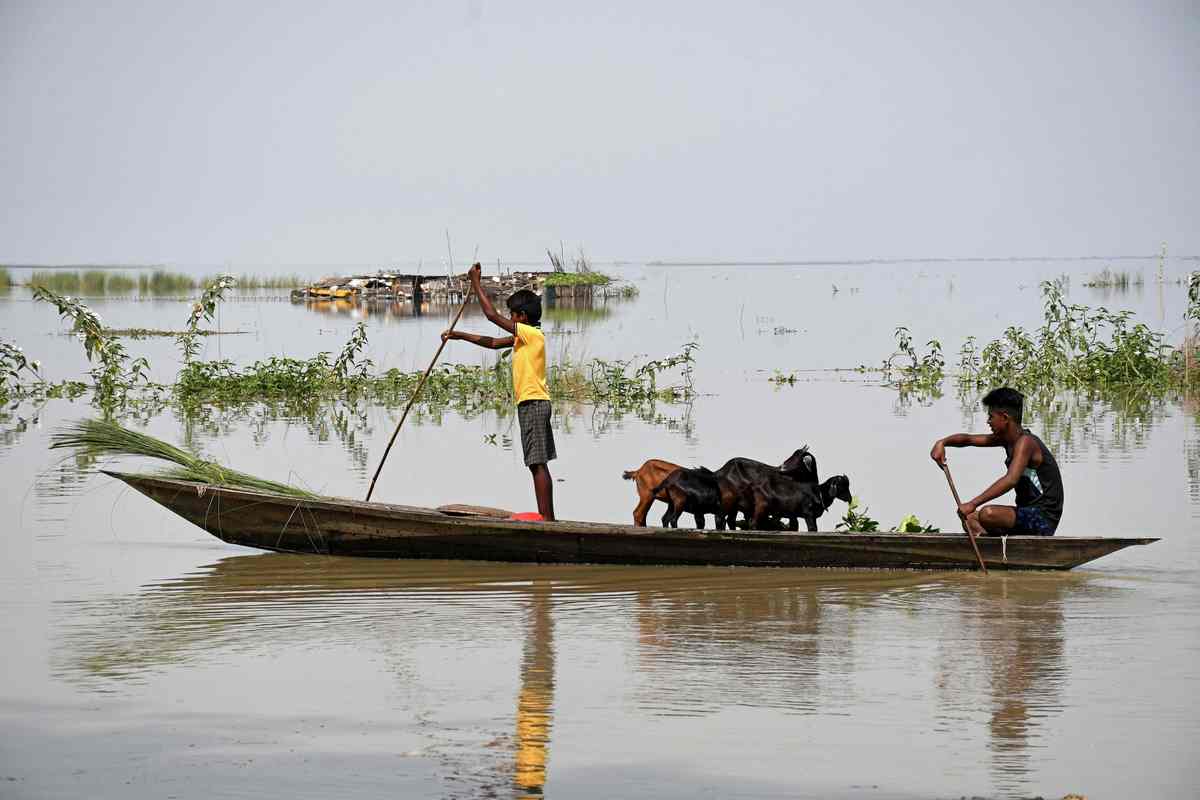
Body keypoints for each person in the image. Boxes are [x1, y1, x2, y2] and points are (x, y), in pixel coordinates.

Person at [442, 263, 556, 520]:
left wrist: (476, 284)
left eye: (512, 315)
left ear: (522, 317)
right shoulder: (525, 336)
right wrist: (459, 335)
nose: (510, 319)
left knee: (537, 463)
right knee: (535, 463)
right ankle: (546, 518)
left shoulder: (531, 334)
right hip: (530, 403)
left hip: (534, 402)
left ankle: (548, 521)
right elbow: (493, 343)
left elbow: (491, 316)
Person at [929, 387, 1063, 536]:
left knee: (988, 514)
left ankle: (1002, 550)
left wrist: (973, 503)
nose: (988, 421)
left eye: (991, 416)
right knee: (969, 518)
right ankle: (994, 552)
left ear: (1005, 418)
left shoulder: (1026, 443)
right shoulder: (1006, 440)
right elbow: (969, 439)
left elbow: (1010, 480)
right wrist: (943, 442)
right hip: (1025, 514)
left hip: (1043, 518)